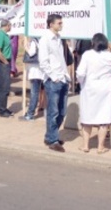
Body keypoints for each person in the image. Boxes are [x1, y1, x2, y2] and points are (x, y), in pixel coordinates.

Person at [76, 33, 111, 154]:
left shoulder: (87, 55)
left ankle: (85, 145)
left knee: (87, 116)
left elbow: (80, 73)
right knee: (104, 118)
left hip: (90, 88)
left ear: (93, 43)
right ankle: (100, 147)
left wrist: (82, 83)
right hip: (106, 89)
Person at [38, 14, 70, 152]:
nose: (61, 25)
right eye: (59, 23)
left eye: (61, 23)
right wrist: (54, 77)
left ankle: (51, 135)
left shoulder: (58, 38)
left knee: (62, 111)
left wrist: (65, 75)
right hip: (53, 80)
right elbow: (43, 62)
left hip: (62, 78)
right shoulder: (45, 39)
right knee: (53, 111)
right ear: (51, 24)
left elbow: (61, 59)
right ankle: (52, 139)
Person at [0, 20, 13, 117]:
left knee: (5, 86)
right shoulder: (0, 34)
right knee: (3, 87)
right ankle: (2, 110)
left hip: (5, 62)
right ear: (7, 25)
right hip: (2, 63)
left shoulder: (5, 35)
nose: (11, 27)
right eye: (10, 25)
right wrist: (5, 62)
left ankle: (3, 107)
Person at [23, 36, 44, 121]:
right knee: (39, 92)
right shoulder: (42, 42)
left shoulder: (34, 42)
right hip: (42, 71)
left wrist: (26, 47)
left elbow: (31, 53)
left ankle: (30, 113)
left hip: (34, 71)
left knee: (34, 93)